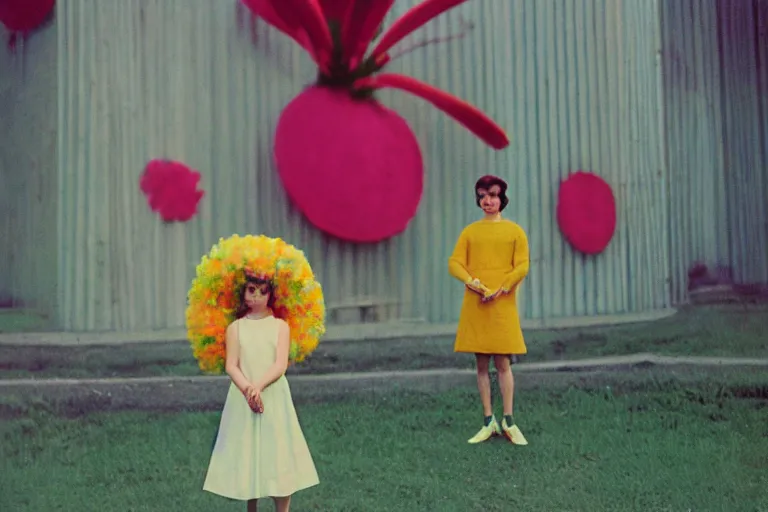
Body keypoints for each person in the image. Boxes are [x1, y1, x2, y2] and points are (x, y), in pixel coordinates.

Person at [203, 271, 319, 512]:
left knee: (278, 451)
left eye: (262, 291)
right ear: (242, 293)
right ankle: (252, 507)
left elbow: (280, 364)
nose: (256, 296)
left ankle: (282, 508)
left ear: (273, 294)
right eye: (251, 290)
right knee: (249, 452)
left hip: (273, 397)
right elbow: (231, 365)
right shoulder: (235, 328)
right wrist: (247, 389)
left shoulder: (280, 327)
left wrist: (259, 387)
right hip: (243, 399)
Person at [448, 175, 530, 446]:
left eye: (493, 195)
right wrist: (471, 281)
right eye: (483, 195)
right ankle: (487, 420)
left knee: (503, 363)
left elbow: (522, 266)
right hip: (477, 303)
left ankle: (508, 420)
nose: (488, 201)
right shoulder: (470, 232)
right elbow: (455, 263)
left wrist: (504, 287)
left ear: (502, 198)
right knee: (481, 364)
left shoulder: (515, 232)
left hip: (502, 304)